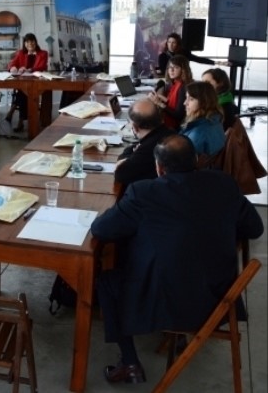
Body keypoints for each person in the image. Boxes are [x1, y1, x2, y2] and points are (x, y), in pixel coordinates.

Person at [91, 134, 263, 384]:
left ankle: (129, 363)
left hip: (171, 303)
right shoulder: (224, 184)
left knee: (107, 282)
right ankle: (175, 338)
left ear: (159, 168)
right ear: (196, 160)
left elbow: (101, 230)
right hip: (220, 299)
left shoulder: (144, 192)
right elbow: (255, 228)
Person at [114, 98, 174, 190]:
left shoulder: (148, 148)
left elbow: (120, 173)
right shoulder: (167, 132)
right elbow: (133, 147)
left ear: (135, 127)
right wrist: (133, 151)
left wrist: (126, 156)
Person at [5, 33, 49, 132]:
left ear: (35, 42)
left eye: (32, 41)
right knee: (23, 92)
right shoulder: (21, 53)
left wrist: (29, 69)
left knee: (23, 93)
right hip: (23, 81)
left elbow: (42, 66)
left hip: (36, 81)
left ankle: (16, 116)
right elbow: (12, 63)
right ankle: (19, 120)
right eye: (27, 42)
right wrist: (13, 68)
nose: (30, 44)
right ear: (24, 43)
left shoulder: (43, 53)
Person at [180, 81, 226, 157]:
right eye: (186, 98)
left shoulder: (198, 133)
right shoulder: (215, 119)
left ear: (204, 102)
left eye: (191, 99)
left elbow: (182, 159)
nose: (185, 103)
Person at [148, 54, 192, 130]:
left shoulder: (183, 87)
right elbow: (175, 104)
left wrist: (159, 103)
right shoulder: (176, 83)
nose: (171, 70)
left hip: (174, 128)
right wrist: (161, 98)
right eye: (169, 67)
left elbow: (179, 115)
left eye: (176, 67)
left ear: (183, 69)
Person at [156, 32, 226, 77]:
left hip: (184, 79)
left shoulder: (184, 53)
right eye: (169, 42)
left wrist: (216, 62)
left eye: (173, 42)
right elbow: (164, 72)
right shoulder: (163, 56)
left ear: (178, 44)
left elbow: (198, 59)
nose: (171, 45)